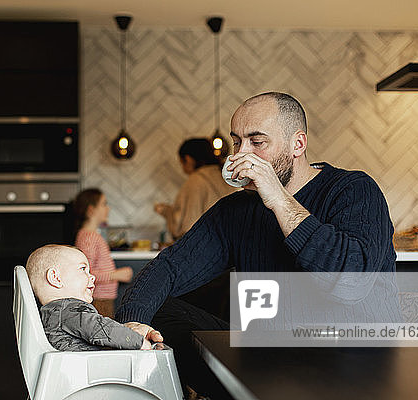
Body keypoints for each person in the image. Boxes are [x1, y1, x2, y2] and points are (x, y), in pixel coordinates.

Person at [116, 92, 400, 397]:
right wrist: (131, 325)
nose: (241, 155)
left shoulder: (354, 189)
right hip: (271, 360)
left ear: (298, 144)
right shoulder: (237, 210)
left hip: (354, 362)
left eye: (257, 142)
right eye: (237, 142)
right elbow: (169, 267)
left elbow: (350, 282)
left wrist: (278, 199)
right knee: (158, 311)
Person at [25, 244, 154, 351]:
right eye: (83, 269)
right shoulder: (69, 310)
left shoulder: (51, 313)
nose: (92, 276)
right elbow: (102, 329)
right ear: (56, 278)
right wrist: (139, 342)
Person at [154, 138, 237, 240]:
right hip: (230, 240)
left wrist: (165, 211)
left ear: (188, 159)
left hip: (206, 245)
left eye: (182, 163)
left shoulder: (196, 180)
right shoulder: (225, 175)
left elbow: (184, 225)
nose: (183, 169)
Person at [72, 188, 133, 318]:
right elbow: (86, 273)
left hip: (103, 299)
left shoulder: (91, 236)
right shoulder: (88, 238)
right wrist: (116, 275)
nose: (108, 208)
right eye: (104, 204)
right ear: (91, 210)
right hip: (98, 301)